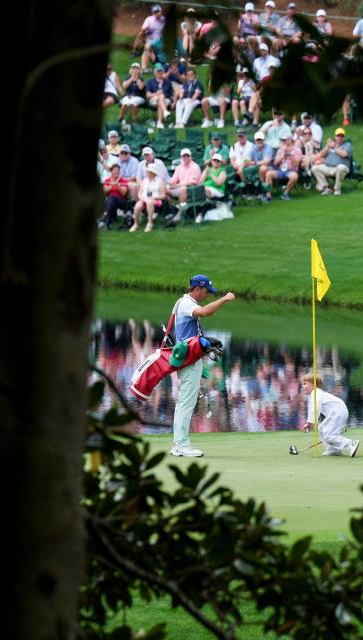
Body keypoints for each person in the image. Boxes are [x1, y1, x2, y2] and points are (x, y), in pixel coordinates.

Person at [168, 275, 236, 457]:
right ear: (198, 288)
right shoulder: (186, 303)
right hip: (188, 360)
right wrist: (225, 299)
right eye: (207, 291)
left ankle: (178, 444)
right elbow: (205, 312)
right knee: (186, 403)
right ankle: (181, 445)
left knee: (185, 402)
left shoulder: (184, 302)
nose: (207, 295)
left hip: (190, 358)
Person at [301, 373, 360, 457]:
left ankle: (351, 443)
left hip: (337, 411)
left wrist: (309, 422)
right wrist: (310, 422)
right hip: (338, 411)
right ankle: (334, 449)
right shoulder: (315, 394)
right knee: (321, 428)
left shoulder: (315, 393)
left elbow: (315, 408)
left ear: (313, 385)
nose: (303, 387)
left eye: (305, 384)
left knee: (329, 435)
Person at [311, 127, 352, 195]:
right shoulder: (331, 145)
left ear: (344, 137)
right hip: (328, 167)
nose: (340, 137)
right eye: (338, 136)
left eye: (342, 136)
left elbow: (344, 154)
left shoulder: (347, 145)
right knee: (314, 168)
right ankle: (326, 188)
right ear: (335, 137)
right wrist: (328, 146)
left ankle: (337, 189)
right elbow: (322, 154)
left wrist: (334, 147)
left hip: (340, 168)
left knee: (341, 167)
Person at [265, 133, 302, 200]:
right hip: (281, 170)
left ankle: (286, 193)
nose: (284, 141)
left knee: (294, 177)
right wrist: (283, 155)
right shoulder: (281, 150)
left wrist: (290, 156)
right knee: (269, 173)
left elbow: (296, 164)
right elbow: (275, 163)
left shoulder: (297, 149)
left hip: (291, 170)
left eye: (285, 140)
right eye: (283, 140)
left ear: (290, 140)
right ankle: (268, 195)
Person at [133, 164, 167, 232]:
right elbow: (139, 193)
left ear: (152, 172)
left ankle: (150, 223)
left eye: (148, 171)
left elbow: (163, 195)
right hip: (144, 199)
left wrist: (154, 197)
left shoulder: (160, 181)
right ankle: (136, 224)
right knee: (137, 206)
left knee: (149, 202)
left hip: (156, 200)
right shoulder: (144, 180)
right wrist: (141, 198)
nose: (146, 173)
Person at [101, 162, 129, 229]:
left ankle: (106, 222)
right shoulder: (107, 180)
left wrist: (119, 186)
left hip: (121, 201)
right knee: (111, 201)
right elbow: (105, 192)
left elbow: (124, 193)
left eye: (118, 170)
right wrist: (111, 186)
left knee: (111, 198)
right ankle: (108, 223)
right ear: (111, 171)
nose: (116, 172)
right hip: (111, 202)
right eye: (115, 170)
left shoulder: (123, 181)